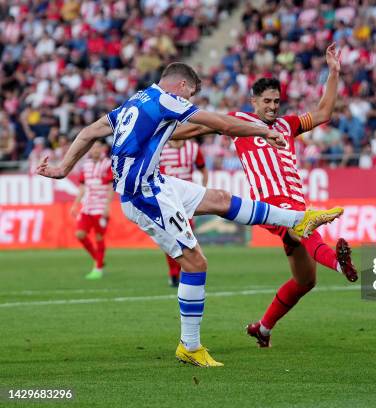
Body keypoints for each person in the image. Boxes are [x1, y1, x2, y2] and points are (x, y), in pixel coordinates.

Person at [36, 62, 344, 367]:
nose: (190, 100)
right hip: (143, 195)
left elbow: (91, 131)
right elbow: (220, 124)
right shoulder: (168, 100)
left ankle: (298, 219)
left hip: (156, 182)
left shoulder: (136, 100)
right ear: (181, 86)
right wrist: (265, 131)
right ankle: (190, 346)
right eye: (191, 94)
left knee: (220, 199)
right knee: (196, 262)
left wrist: (63, 168)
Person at [175, 43, 357, 348]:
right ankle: (339, 265)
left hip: (297, 204)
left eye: (277, 101)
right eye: (267, 101)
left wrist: (334, 72)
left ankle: (263, 329)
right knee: (304, 226)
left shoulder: (289, 125)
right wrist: (162, 134)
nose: (273, 106)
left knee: (305, 281)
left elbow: (324, 112)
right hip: (271, 205)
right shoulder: (239, 121)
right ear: (253, 101)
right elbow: (194, 130)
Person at [159, 139, 207, 287]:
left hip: (186, 202)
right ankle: (173, 273)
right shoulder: (161, 147)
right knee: (170, 239)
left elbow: (203, 169)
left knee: (187, 239)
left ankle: (185, 271)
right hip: (167, 199)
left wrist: (202, 190)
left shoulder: (193, 148)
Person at [70, 140, 114, 280]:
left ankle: (98, 268)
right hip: (87, 207)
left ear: (102, 149)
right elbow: (83, 187)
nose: (95, 150)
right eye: (92, 147)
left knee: (99, 237)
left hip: (101, 207)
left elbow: (111, 187)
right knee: (80, 234)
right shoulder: (86, 165)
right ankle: (98, 259)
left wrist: (108, 206)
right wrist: (75, 204)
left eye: (97, 147)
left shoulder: (107, 164)